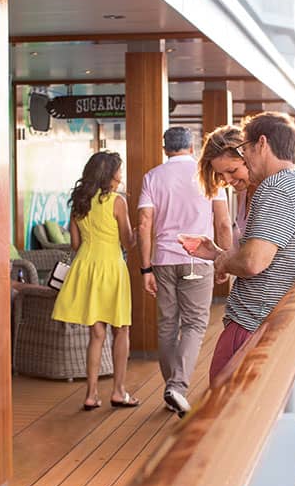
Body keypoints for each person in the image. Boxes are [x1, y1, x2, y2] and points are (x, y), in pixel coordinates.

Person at [185, 112, 295, 382]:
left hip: (252, 321)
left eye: (246, 149)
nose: (246, 158)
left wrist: (224, 262)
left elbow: (253, 263)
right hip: (272, 321)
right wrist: (219, 253)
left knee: (222, 400)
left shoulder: (274, 188)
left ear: (261, 144)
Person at [138, 127, 231, 417]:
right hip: (198, 259)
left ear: (165, 148)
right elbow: (224, 223)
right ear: (192, 147)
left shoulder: (152, 177)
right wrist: (225, 259)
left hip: (164, 259)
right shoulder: (209, 176)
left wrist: (145, 268)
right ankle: (177, 386)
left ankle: (171, 390)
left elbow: (144, 223)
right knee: (194, 324)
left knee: (167, 325)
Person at [51, 151, 138, 410]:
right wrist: (142, 233)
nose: (121, 176)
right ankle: (119, 391)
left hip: (86, 267)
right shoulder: (116, 202)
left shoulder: (80, 202)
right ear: (110, 174)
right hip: (111, 267)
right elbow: (127, 242)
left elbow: (75, 244)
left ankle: (91, 395)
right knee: (121, 329)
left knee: (96, 333)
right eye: (119, 171)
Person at [198, 125, 257, 247]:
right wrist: (215, 254)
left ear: (248, 157)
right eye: (220, 174)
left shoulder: (272, 192)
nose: (227, 180)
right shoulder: (244, 193)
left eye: (232, 171)